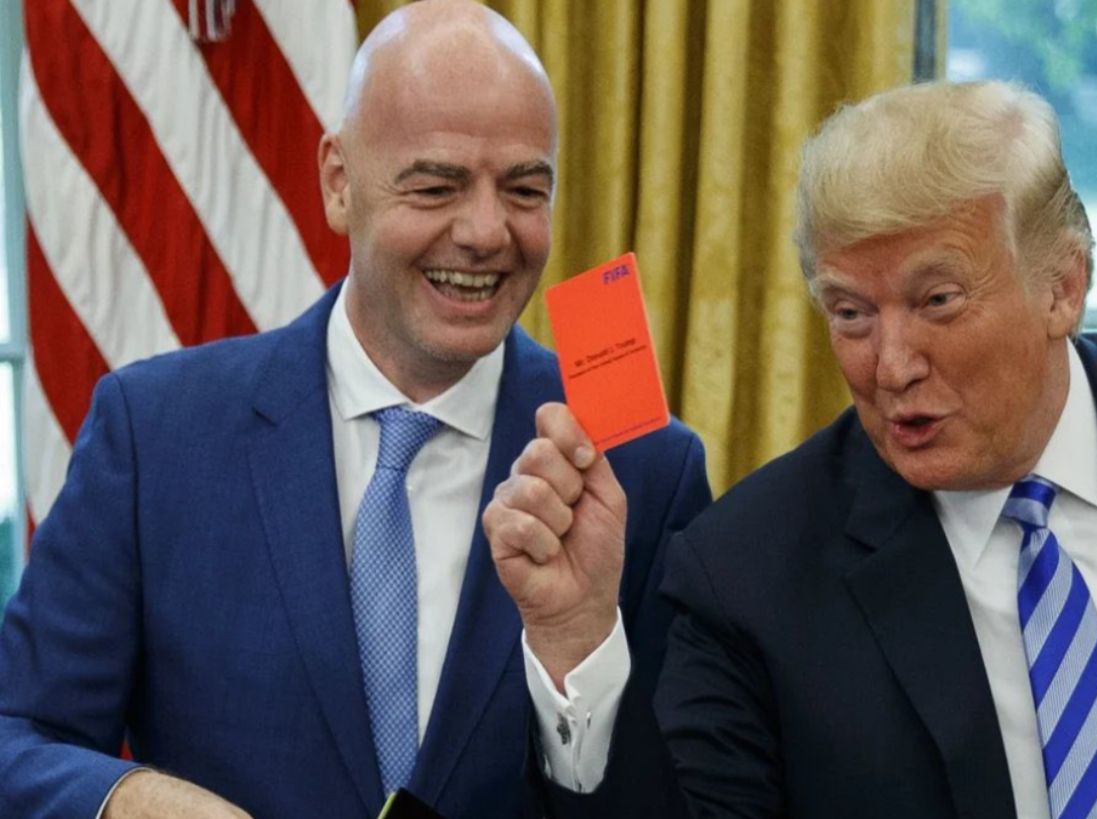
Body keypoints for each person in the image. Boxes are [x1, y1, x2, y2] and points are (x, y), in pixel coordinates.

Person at [498, 79, 1097, 818]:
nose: (892, 365)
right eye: (850, 312)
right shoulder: (748, 571)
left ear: (1062, 287)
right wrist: (578, 642)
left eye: (937, 300)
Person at [0, 3, 709, 818]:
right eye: (436, 185)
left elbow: (691, 800)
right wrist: (130, 799)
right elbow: (18, 734)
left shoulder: (643, 467)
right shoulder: (154, 435)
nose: (487, 232)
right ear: (339, 183)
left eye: (524, 189)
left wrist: (578, 659)